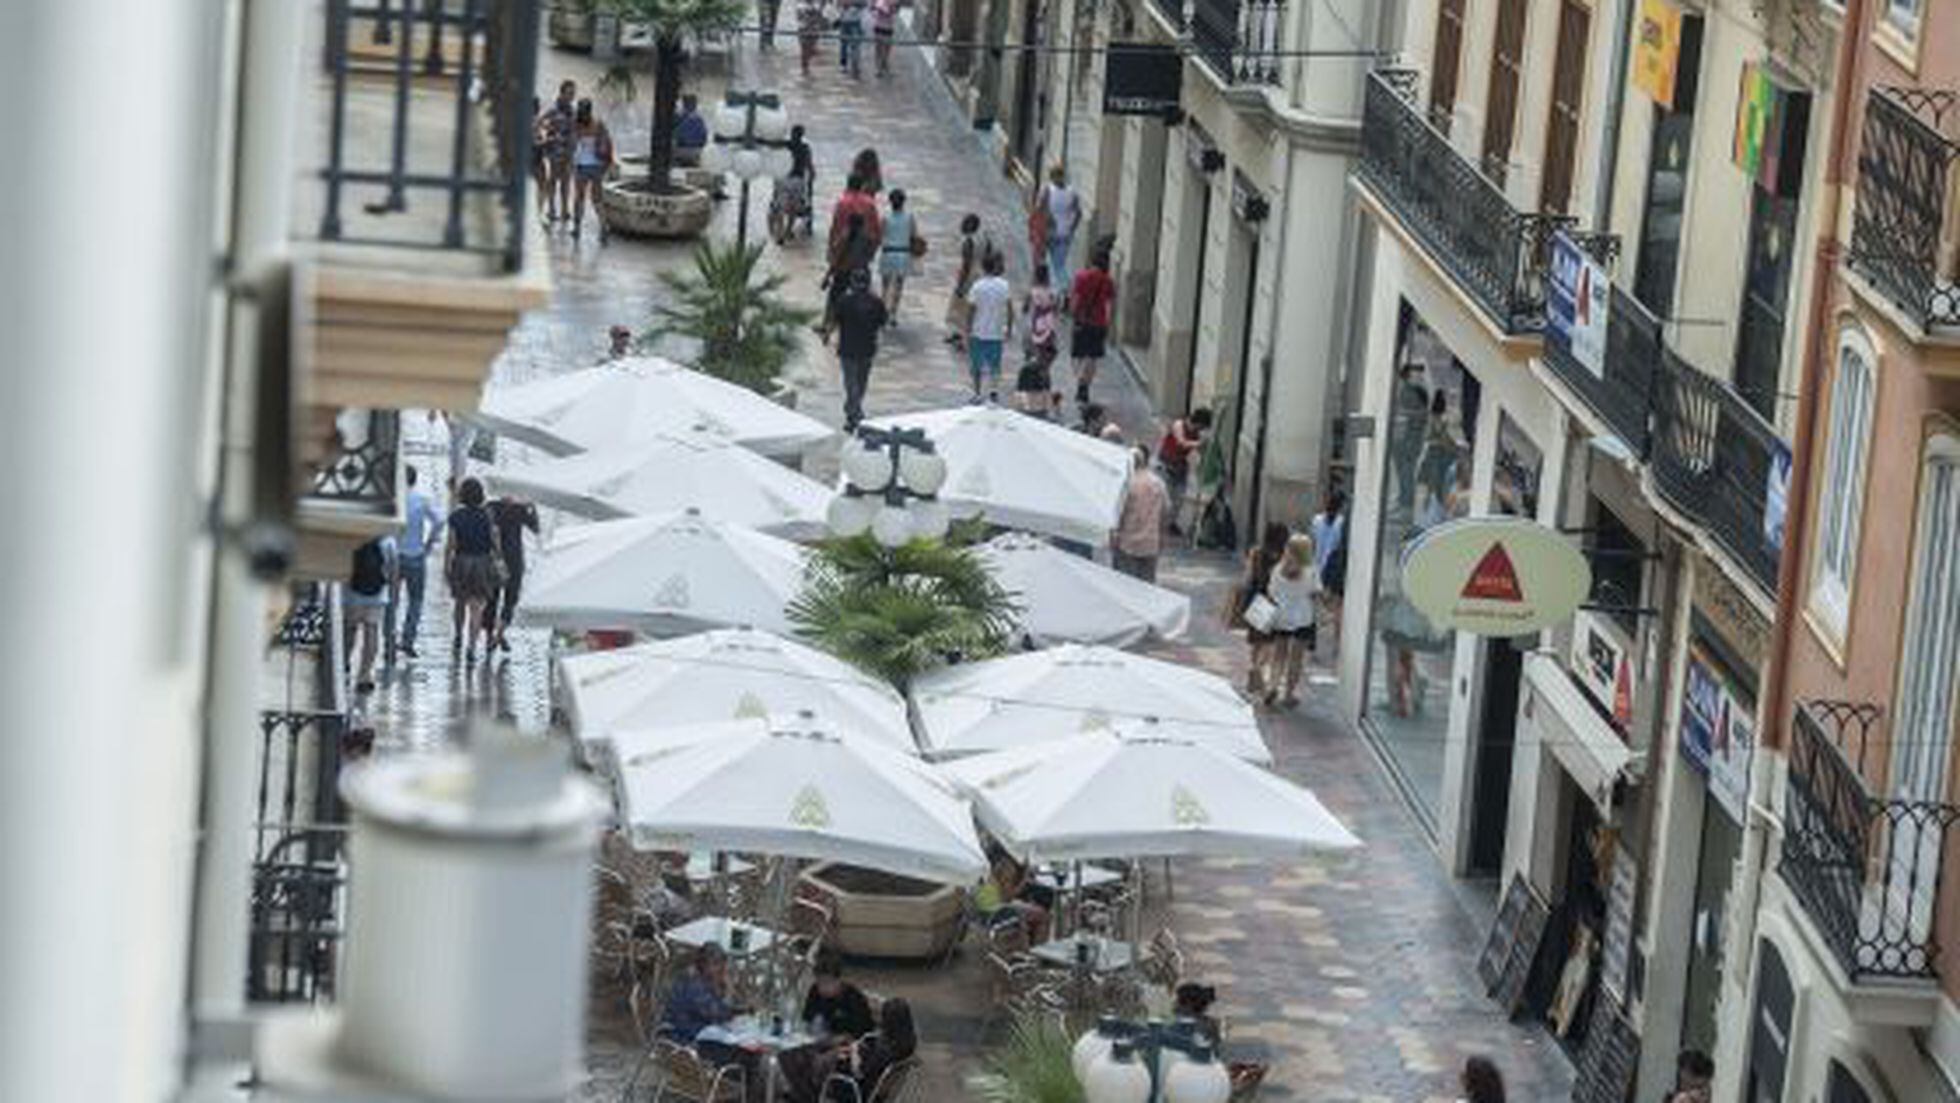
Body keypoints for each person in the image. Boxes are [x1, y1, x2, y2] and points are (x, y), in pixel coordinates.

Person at [444, 477, 501, 664]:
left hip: (462, 562)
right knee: (476, 608)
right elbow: (496, 544)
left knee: (459, 603)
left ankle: (458, 635)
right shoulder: (487, 516)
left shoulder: (456, 516)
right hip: (482, 563)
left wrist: (446, 565)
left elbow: (451, 545)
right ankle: (472, 648)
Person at [1259, 534, 1319, 708]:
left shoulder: (1278, 569)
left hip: (1281, 617)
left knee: (1279, 655)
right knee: (1296, 659)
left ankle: (1273, 685)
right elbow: (1316, 594)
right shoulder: (1311, 571)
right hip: (1303, 618)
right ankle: (1289, 694)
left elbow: (1271, 593)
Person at [1234, 522, 1290, 699]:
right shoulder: (1285, 557)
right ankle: (1256, 671)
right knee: (1269, 643)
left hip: (1256, 600)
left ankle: (1254, 674)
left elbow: (1248, 577)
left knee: (1257, 641)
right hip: (1275, 603)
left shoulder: (1256, 552)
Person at [393, 464, 443, 659]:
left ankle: (389, 639)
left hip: (395, 555)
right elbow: (439, 521)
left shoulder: (394, 499)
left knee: (392, 600)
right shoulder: (421, 500)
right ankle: (408, 640)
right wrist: (429, 543)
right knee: (415, 600)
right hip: (416, 555)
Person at [834, 268, 889, 429]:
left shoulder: (844, 301)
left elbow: (836, 320)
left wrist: (828, 335)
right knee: (861, 381)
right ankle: (854, 409)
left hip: (848, 348)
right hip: (867, 348)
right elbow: (882, 322)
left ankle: (853, 410)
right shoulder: (876, 302)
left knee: (851, 382)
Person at [485, 493, 539, 654]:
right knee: (510, 599)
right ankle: (499, 635)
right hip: (513, 559)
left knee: (492, 599)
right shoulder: (519, 509)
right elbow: (535, 528)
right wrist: (532, 507)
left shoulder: (491, 507)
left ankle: (492, 636)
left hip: (494, 558)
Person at [344, 535, 394, 694]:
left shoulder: (353, 535)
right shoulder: (388, 540)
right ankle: (364, 676)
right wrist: (392, 593)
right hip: (377, 595)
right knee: (372, 632)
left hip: (352, 593)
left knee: (350, 630)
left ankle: (343, 664)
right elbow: (393, 569)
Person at [1113, 446, 1169, 582]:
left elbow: (1118, 513)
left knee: (1125, 585)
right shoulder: (1159, 483)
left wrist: (1114, 535)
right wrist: (1161, 536)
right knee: (1146, 587)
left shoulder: (1127, 484)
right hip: (1151, 543)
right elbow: (1165, 512)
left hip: (1128, 543)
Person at [1067, 247, 1116, 405]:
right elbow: (1108, 306)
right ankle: (1085, 386)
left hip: (1081, 320)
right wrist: (1107, 324)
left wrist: (1073, 314)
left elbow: (1075, 299)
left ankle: (1080, 381)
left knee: (1078, 355)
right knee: (1092, 357)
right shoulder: (1108, 281)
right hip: (1098, 323)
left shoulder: (1081, 276)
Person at [964, 252, 1014, 404]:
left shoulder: (977, 286)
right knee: (995, 364)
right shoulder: (1004, 285)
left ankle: (977, 392)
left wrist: (967, 329)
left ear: (983, 267)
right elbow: (1011, 310)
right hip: (996, 332)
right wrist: (1009, 328)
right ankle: (993, 391)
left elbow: (971, 310)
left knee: (976, 364)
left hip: (978, 331)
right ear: (995, 267)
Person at [661, 945, 737, 1042]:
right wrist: (728, 991)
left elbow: (717, 1011)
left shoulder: (703, 980)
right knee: (730, 1040)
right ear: (703, 964)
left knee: (731, 1036)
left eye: (721, 965)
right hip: (681, 1032)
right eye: (716, 964)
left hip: (690, 1028)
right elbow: (716, 1013)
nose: (720, 969)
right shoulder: (693, 982)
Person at [824, 210, 879, 338]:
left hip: (843, 272)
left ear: (849, 223)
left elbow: (836, 258)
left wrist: (827, 276)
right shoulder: (868, 237)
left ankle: (828, 325)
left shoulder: (844, 237)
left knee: (834, 299)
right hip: (861, 273)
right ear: (863, 224)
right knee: (861, 299)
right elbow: (871, 254)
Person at [801, 950, 876, 1042]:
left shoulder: (853, 998)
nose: (824, 988)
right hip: (822, 1039)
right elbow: (807, 1019)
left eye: (828, 983)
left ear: (839, 980)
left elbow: (863, 1031)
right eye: (820, 983)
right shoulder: (815, 991)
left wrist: (842, 1038)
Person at [1157, 408, 1211, 534]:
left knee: (1179, 497)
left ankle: (1171, 523)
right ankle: (1159, 522)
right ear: (1198, 422)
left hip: (1180, 465)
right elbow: (1181, 442)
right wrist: (1199, 444)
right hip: (1166, 463)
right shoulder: (1179, 425)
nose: (1201, 430)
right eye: (1202, 426)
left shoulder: (1196, 433)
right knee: (1166, 495)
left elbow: (1196, 449)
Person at [944, 213, 992, 348]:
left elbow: (966, 263)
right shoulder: (985, 238)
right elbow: (988, 256)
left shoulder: (968, 241)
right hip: (982, 273)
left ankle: (959, 334)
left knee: (960, 305)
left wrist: (960, 285)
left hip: (970, 275)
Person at [1015, 264, 1059, 412]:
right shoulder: (1052, 293)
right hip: (1047, 332)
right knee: (1045, 365)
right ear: (1048, 277)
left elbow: (1024, 309)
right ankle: (1045, 395)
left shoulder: (1031, 292)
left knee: (1029, 362)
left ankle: (1028, 395)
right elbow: (1054, 313)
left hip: (1031, 331)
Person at [568, 98, 614, 240]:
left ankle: (577, 228)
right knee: (596, 198)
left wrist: (571, 163)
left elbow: (573, 145)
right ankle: (604, 226)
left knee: (580, 198)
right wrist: (609, 163)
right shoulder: (598, 124)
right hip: (596, 166)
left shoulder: (577, 124)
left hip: (582, 166)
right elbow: (608, 144)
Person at [1030, 165, 1081, 291]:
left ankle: (1041, 290)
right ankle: (1064, 290)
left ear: (1052, 177)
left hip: (1047, 232)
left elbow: (1038, 209)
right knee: (1059, 265)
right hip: (1064, 234)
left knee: (1041, 261)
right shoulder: (1072, 192)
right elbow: (1078, 213)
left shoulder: (1047, 190)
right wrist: (1071, 229)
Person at [1309, 489, 1346, 653]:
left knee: (1314, 607)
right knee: (1338, 608)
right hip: (1333, 569)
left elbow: (1312, 544)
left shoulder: (1316, 520)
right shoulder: (1342, 522)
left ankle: (1312, 642)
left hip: (1317, 568)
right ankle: (1337, 646)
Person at [878, 189, 920, 323]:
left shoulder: (885, 217)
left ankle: (883, 310)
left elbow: (880, 235)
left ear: (890, 202)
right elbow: (914, 235)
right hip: (903, 254)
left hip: (888, 253)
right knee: (898, 286)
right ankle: (893, 314)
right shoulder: (910, 217)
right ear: (904, 202)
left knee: (885, 286)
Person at [539, 81, 577, 223]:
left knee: (566, 182)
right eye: (569, 93)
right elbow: (539, 121)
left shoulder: (573, 111)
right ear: (562, 93)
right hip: (555, 153)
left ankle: (564, 209)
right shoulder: (554, 109)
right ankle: (551, 209)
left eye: (573, 93)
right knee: (553, 180)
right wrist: (549, 135)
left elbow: (575, 130)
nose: (571, 96)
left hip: (569, 153)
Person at [828, 173, 883, 259]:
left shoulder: (842, 203)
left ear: (848, 185)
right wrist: (873, 248)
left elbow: (835, 226)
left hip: (843, 245)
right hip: (863, 245)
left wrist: (831, 247)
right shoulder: (869, 203)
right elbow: (876, 228)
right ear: (862, 186)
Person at [673, 94, 709, 167]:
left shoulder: (679, 117)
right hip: (698, 151)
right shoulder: (700, 119)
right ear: (695, 105)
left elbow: (675, 136)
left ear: (684, 104)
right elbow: (704, 138)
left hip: (680, 151)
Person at [836, 0, 866, 79]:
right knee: (843, 45)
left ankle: (855, 66)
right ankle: (843, 64)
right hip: (844, 22)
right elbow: (838, 4)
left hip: (855, 22)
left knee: (855, 45)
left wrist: (851, 3)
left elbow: (864, 4)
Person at [797, 0, 828, 74]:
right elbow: (801, 17)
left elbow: (820, 17)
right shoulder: (801, 6)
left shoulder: (815, 6)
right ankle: (804, 67)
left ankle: (805, 66)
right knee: (804, 49)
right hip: (804, 29)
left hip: (813, 30)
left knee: (810, 49)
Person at [870, 0, 898, 76]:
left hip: (889, 26)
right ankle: (878, 68)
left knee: (887, 48)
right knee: (878, 47)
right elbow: (872, 7)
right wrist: (877, 9)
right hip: (879, 25)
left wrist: (891, 7)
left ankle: (884, 64)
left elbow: (895, 10)